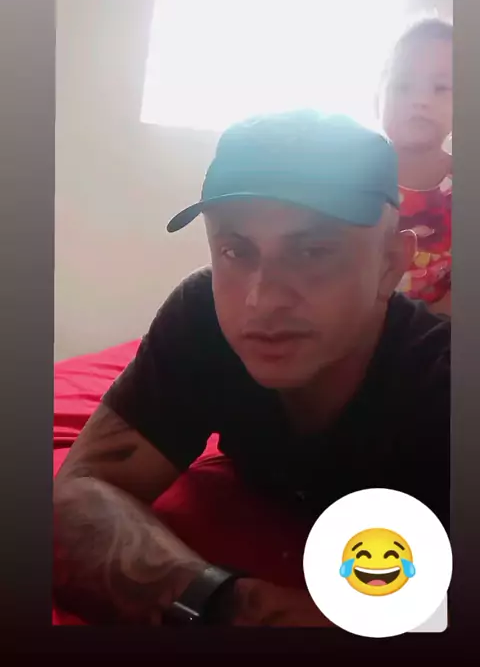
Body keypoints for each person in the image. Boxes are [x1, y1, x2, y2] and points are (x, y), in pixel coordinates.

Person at [53, 110, 450, 627]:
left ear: (390, 264)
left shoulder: (443, 385)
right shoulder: (203, 316)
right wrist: (232, 606)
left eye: (313, 252)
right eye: (235, 250)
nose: (261, 301)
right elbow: (78, 494)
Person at [378, 17, 453, 316]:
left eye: (440, 88)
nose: (420, 100)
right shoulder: (351, 175)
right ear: (377, 99)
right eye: (403, 86)